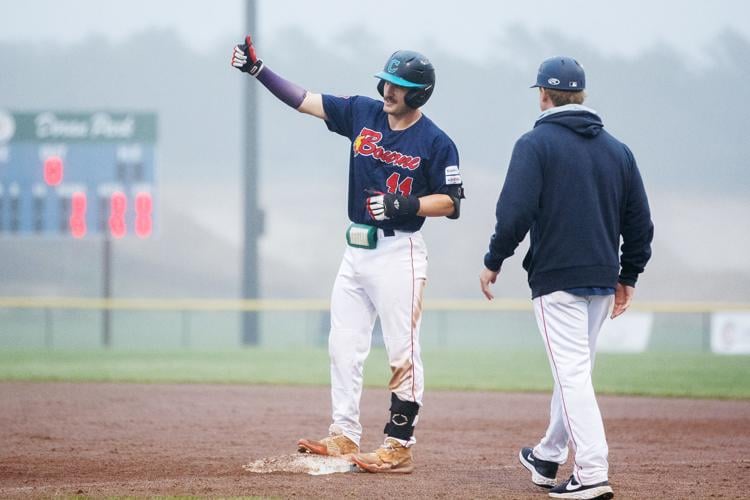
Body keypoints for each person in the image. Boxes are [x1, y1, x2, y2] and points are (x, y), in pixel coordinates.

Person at [232, 36, 464, 474]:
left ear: (418, 92)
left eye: (397, 85)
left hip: (400, 251)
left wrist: (408, 205)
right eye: (386, 82)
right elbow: (305, 101)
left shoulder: (436, 142)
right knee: (343, 344)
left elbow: (451, 202)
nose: (387, 90)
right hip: (356, 251)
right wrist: (259, 71)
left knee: (402, 351)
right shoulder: (363, 112)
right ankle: (344, 433)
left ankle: (398, 443)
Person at [479, 56, 653, 499]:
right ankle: (548, 454)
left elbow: (514, 211)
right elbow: (639, 222)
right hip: (600, 278)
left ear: (542, 95)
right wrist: (628, 273)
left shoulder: (535, 145)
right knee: (573, 372)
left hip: (557, 279)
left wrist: (495, 260)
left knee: (573, 374)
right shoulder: (618, 150)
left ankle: (592, 473)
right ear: (582, 95)